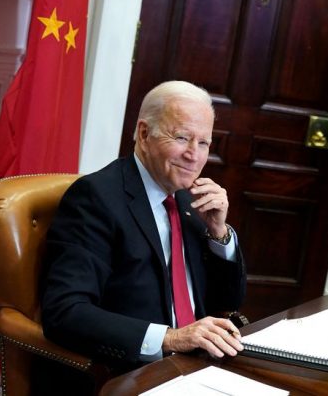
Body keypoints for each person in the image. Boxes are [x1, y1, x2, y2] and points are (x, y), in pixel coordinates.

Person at [42, 81, 247, 374]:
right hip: (132, 372)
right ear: (144, 133)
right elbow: (65, 311)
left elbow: (227, 302)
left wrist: (219, 233)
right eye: (182, 137)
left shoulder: (190, 200)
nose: (194, 155)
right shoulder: (96, 198)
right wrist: (170, 338)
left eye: (203, 143)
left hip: (199, 365)